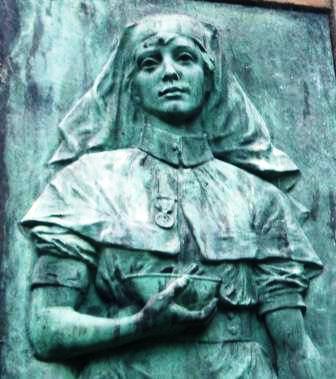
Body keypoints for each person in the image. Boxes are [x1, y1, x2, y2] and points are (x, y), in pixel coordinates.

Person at [21, 14, 323, 378]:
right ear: (132, 87)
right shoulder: (86, 182)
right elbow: (44, 331)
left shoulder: (260, 197)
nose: (169, 72)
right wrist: (138, 326)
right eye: (150, 63)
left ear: (210, 79)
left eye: (185, 58)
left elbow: (294, 348)